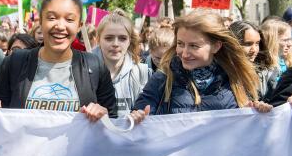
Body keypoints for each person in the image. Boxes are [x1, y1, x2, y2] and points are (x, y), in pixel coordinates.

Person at [0, 0, 116, 121]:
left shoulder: (95, 66)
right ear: (40, 22)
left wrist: (103, 115)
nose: (60, 26)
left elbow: (113, 122)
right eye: (52, 18)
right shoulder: (14, 63)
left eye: (69, 19)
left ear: (79, 25)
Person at [131, 10, 269, 124]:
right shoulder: (163, 78)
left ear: (216, 46)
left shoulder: (235, 80)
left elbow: (244, 133)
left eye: (194, 46)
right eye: (180, 44)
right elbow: (140, 112)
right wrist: (138, 116)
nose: (184, 53)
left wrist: (256, 112)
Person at [92, 9, 151, 117]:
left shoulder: (142, 73)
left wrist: (140, 113)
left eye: (122, 38)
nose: (115, 44)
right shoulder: (83, 72)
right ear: (98, 40)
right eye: (109, 38)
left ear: (129, 41)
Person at [229, 21, 278, 100]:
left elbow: (276, 101)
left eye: (257, 43)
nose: (254, 49)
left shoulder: (266, 73)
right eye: (248, 44)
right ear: (233, 44)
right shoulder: (220, 75)